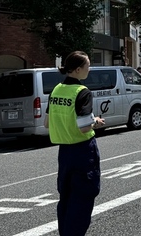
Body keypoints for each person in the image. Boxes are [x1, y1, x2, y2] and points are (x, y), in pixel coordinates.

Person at [44, 51, 105, 236]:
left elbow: (47, 122)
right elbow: (85, 127)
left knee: (67, 198)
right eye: (88, 65)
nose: (90, 68)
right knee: (83, 197)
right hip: (83, 151)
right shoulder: (82, 92)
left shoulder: (56, 90)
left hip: (64, 152)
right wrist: (96, 121)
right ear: (78, 70)